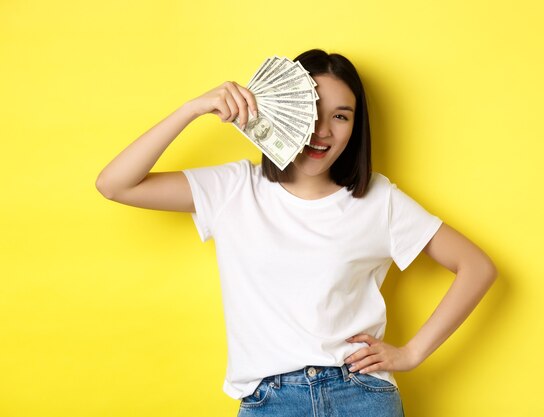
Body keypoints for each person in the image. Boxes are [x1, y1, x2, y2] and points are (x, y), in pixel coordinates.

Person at [96, 49, 497, 417]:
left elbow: (476, 266)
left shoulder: (379, 200)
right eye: (311, 110)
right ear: (281, 109)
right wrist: (192, 109)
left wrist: (411, 353)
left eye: (341, 116)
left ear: (356, 127)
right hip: (269, 401)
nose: (322, 130)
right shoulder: (235, 188)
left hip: (359, 396)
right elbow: (115, 184)